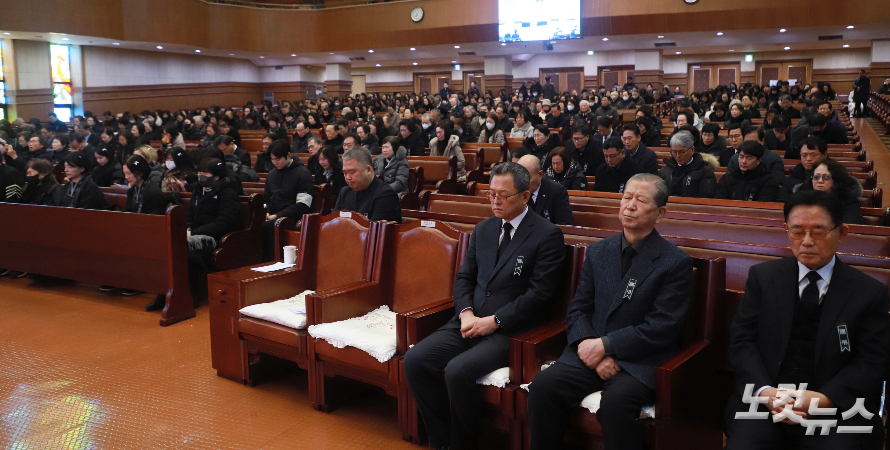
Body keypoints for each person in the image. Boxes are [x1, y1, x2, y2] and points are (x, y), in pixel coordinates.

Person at [404, 161, 565, 450]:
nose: (495, 201)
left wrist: (495, 321)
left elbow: (540, 294)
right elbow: (464, 278)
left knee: (458, 371)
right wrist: (465, 313)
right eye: (491, 194)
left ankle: (462, 444)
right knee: (416, 360)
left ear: (524, 196)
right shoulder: (483, 229)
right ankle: (441, 440)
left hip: (509, 330)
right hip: (470, 320)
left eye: (503, 195)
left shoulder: (546, 234)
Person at [528, 173, 693, 450]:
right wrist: (590, 349)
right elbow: (578, 309)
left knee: (616, 405)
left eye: (641, 200)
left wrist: (607, 346)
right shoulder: (598, 252)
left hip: (639, 360)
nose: (630, 205)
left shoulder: (675, 262)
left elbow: (662, 326)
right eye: (627, 197)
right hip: (590, 350)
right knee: (544, 387)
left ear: (660, 213)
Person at [724, 190, 887, 450]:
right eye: (797, 231)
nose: (807, 242)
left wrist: (823, 399)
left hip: (836, 409)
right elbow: (742, 341)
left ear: (842, 233)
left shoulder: (869, 293)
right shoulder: (763, 278)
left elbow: (871, 361)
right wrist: (765, 392)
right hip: (766, 402)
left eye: (818, 232)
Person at [179, 158, 242, 309]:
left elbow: (223, 223)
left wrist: (195, 232)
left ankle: (190, 296)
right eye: (199, 172)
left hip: (217, 239)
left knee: (183, 252)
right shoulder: (197, 190)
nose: (201, 175)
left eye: (205, 173)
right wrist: (186, 230)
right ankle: (167, 294)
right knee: (171, 246)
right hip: (195, 234)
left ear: (217, 175)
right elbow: (189, 216)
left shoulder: (227, 192)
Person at [263, 140, 314, 261]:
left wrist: (277, 215)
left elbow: (303, 205)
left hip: (292, 217)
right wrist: (266, 212)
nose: (275, 162)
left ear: (288, 155)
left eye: (278, 159)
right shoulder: (272, 174)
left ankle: (272, 262)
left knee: (268, 226)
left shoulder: (303, 173)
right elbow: (266, 199)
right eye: (272, 159)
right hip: (273, 216)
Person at [333, 147, 401, 222]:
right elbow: (333, 223)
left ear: (368, 170)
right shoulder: (345, 192)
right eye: (345, 173)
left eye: (352, 172)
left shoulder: (386, 195)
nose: (348, 177)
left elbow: (374, 228)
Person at [797, 159, 864, 225]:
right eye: (816, 177)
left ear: (836, 180)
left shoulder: (848, 201)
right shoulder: (802, 198)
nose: (820, 181)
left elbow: (851, 227)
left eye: (826, 177)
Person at [517, 154, 573, 225]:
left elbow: (565, 224)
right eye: (519, 178)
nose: (523, 182)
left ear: (540, 174)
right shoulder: (516, 191)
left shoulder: (557, 191)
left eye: (527, 178)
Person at [714, 141, 780, 202]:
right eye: (741, 157)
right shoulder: (727, 178)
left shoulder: (768, 181)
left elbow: (763, 206)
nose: (744, 161)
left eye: (749, 158)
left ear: (758, 160)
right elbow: (719, 201)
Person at [659, 131, 717, 198]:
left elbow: (706, 198)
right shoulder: (665, 170)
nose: (678, 156)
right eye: (674, 152)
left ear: (692, 149)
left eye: (682, 152)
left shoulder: (705, 172)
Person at [779, 136, 827, 202]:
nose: (808, 159)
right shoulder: (792, 177)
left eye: (813, 155)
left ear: (824, 155)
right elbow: (781, 201)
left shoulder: (833, 176)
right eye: (804, 155)